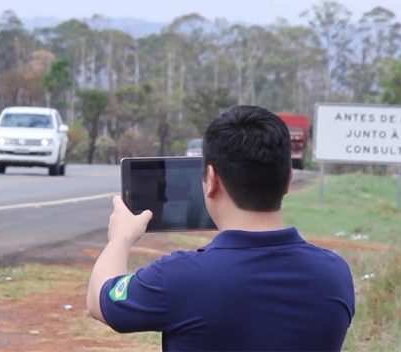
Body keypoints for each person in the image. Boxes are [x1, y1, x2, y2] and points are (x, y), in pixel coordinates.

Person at [87, 105, 355, 351]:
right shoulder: (335, 274)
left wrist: (120, 239)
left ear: (211, 180)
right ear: (288, 181)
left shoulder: (180, 276)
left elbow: (100, 300)